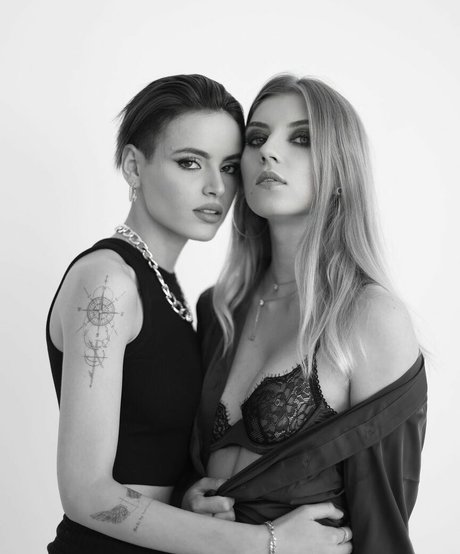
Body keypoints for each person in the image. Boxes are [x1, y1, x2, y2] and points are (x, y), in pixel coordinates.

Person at [46, 73, 353, 554]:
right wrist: (266, 542)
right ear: (133, 166)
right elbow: (86, 494)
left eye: (229, 167)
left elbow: (148, 461)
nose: (216, 187)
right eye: (190, 162)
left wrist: (188, 499)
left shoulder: (175, 290)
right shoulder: (107, 282)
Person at [188, 75, 427, 554]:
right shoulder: (219, 309)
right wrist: (190, 502)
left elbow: (383, 525)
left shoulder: (370, 318)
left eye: (301, 138)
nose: (268, 152)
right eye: (256, 138)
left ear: (341, 170)